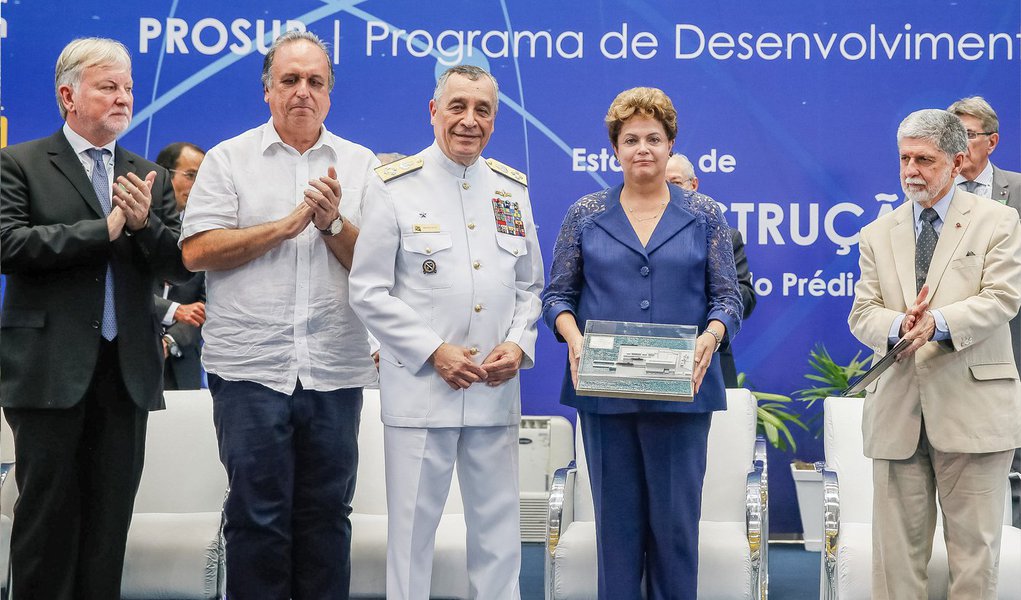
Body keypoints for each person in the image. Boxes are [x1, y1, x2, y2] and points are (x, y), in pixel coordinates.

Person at [179, 30, 377, 599]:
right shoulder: (227, 159)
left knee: (327, 517)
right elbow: (196, 250)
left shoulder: (360, 165)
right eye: (289, 80)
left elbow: (377, 267)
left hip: (333, 370)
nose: (302, 92)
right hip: (249, 370)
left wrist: (332, 223)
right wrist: (285, 227)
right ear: (267, 90)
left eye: (315, 82)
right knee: (257, 516)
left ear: (330, 95)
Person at [0, 37, 187, 599]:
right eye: (108, 87)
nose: (123, 98)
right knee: (45, 523)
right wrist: (101, 229)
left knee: (109, 526)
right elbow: (9, 244)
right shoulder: (20, 163)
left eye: (128, 87)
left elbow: (179, 261)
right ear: (68, 95)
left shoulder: (146, 174)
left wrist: (140, 227)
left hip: (125, 370)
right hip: (48, 369)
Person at [348, 65, 543, 600]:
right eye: (457, 106)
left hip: (493, 389)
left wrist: (518, 344)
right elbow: (367, 290)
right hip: (421, 390)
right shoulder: (394, 186)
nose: (469, 121)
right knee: (411, 538)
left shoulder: (510, 188)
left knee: (501, 537)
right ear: (433, 112)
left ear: (495, 120)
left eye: (482, 110)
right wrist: (434, 351)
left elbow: (531, 286)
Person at [541, 87, 742, 599]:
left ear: (671, 144)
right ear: (615, 149)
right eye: (631, 139)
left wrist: (711, 337)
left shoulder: (707, 215)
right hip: (605, 394)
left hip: (683, 392)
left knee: (676, 530)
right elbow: (557, 296)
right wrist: (572, 335)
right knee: (616, 531)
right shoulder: (584, 213)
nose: (643, 148)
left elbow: (728, 297)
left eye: (654, 137)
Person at [848, 108, 1021, 600]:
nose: (911, 171)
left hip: (974, 408)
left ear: (956, 160)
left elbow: (1004, 297)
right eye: (904, 159)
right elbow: (862, 313)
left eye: (924, 159)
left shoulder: (998, 220)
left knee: (974, 559)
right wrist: (897, 325)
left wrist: (938, 323)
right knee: (895, 563)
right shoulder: (879, 231)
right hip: (898, 411)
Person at [948, 96, 1021, 528]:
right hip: (953, 345)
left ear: (991, 142)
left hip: (1012, 338)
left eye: (968, 135)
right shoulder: (933, 194)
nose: (959, 144)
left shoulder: (1018, 189)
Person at [667, 152, 756, 387]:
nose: (668, 191)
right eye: (662, 184)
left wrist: (714, 286)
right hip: (653, 360)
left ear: (693, 185)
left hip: (710, 362)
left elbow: (745, 300)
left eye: (675, 183)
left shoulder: (724, 237)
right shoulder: (639, 238)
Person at [154, 142, 206, 390]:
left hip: (182, 364)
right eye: (191, 175)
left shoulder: (206, 234)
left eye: (203, 178)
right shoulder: (131, 222)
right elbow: (117, 291)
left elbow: (207, 305)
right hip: (129, 356)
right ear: (164, 174)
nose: (198, 186)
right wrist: (172, 309)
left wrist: (170, 340)